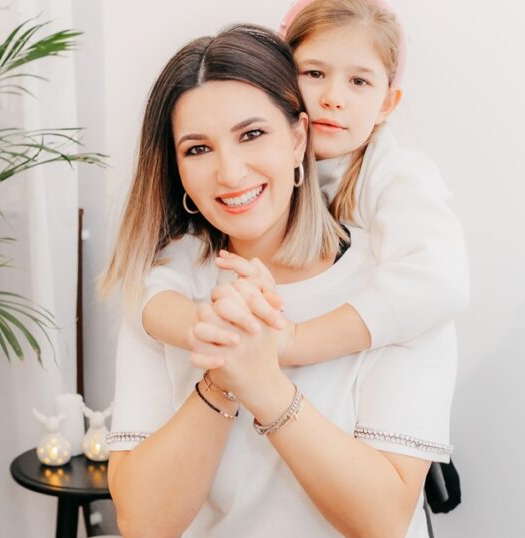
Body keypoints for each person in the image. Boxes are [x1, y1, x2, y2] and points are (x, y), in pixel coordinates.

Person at [100, 24, 455, 537]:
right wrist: (221, 377)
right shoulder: (164, 295)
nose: (230, 173)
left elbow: (383, 521)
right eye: (197, 149)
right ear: (178, 170)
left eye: (252, 135)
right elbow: (143, 524)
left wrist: (262, 380)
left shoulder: (395, 293)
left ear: (298, 138)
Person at [136, 0, 470, 375]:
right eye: (313, 73)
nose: (333, 98)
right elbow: (153, 291)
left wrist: (292, 342)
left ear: (387, 103)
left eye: (359, 81)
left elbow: (438, 282)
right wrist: (219, 331)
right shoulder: (232, 201)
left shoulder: (397, 176)